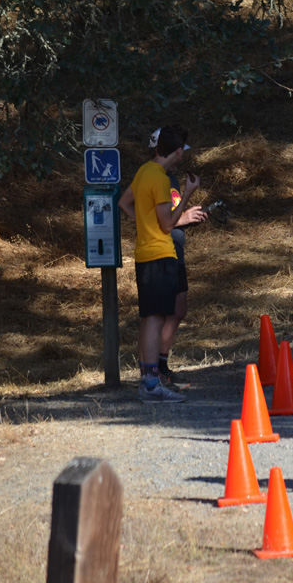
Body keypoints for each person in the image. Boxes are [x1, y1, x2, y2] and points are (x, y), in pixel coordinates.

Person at [118, 124, 202, 402]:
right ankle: (152, 384)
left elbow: (124, 203)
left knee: (148, 318)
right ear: (176, 151)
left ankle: (148, 379)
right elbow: (168, 225)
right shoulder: (161, 179)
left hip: (144, 254)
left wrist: (145, 224)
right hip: (161, 254)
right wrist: (188, 194)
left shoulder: (144, 171)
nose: (182, 157)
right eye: (181, 152)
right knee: (156, 319)